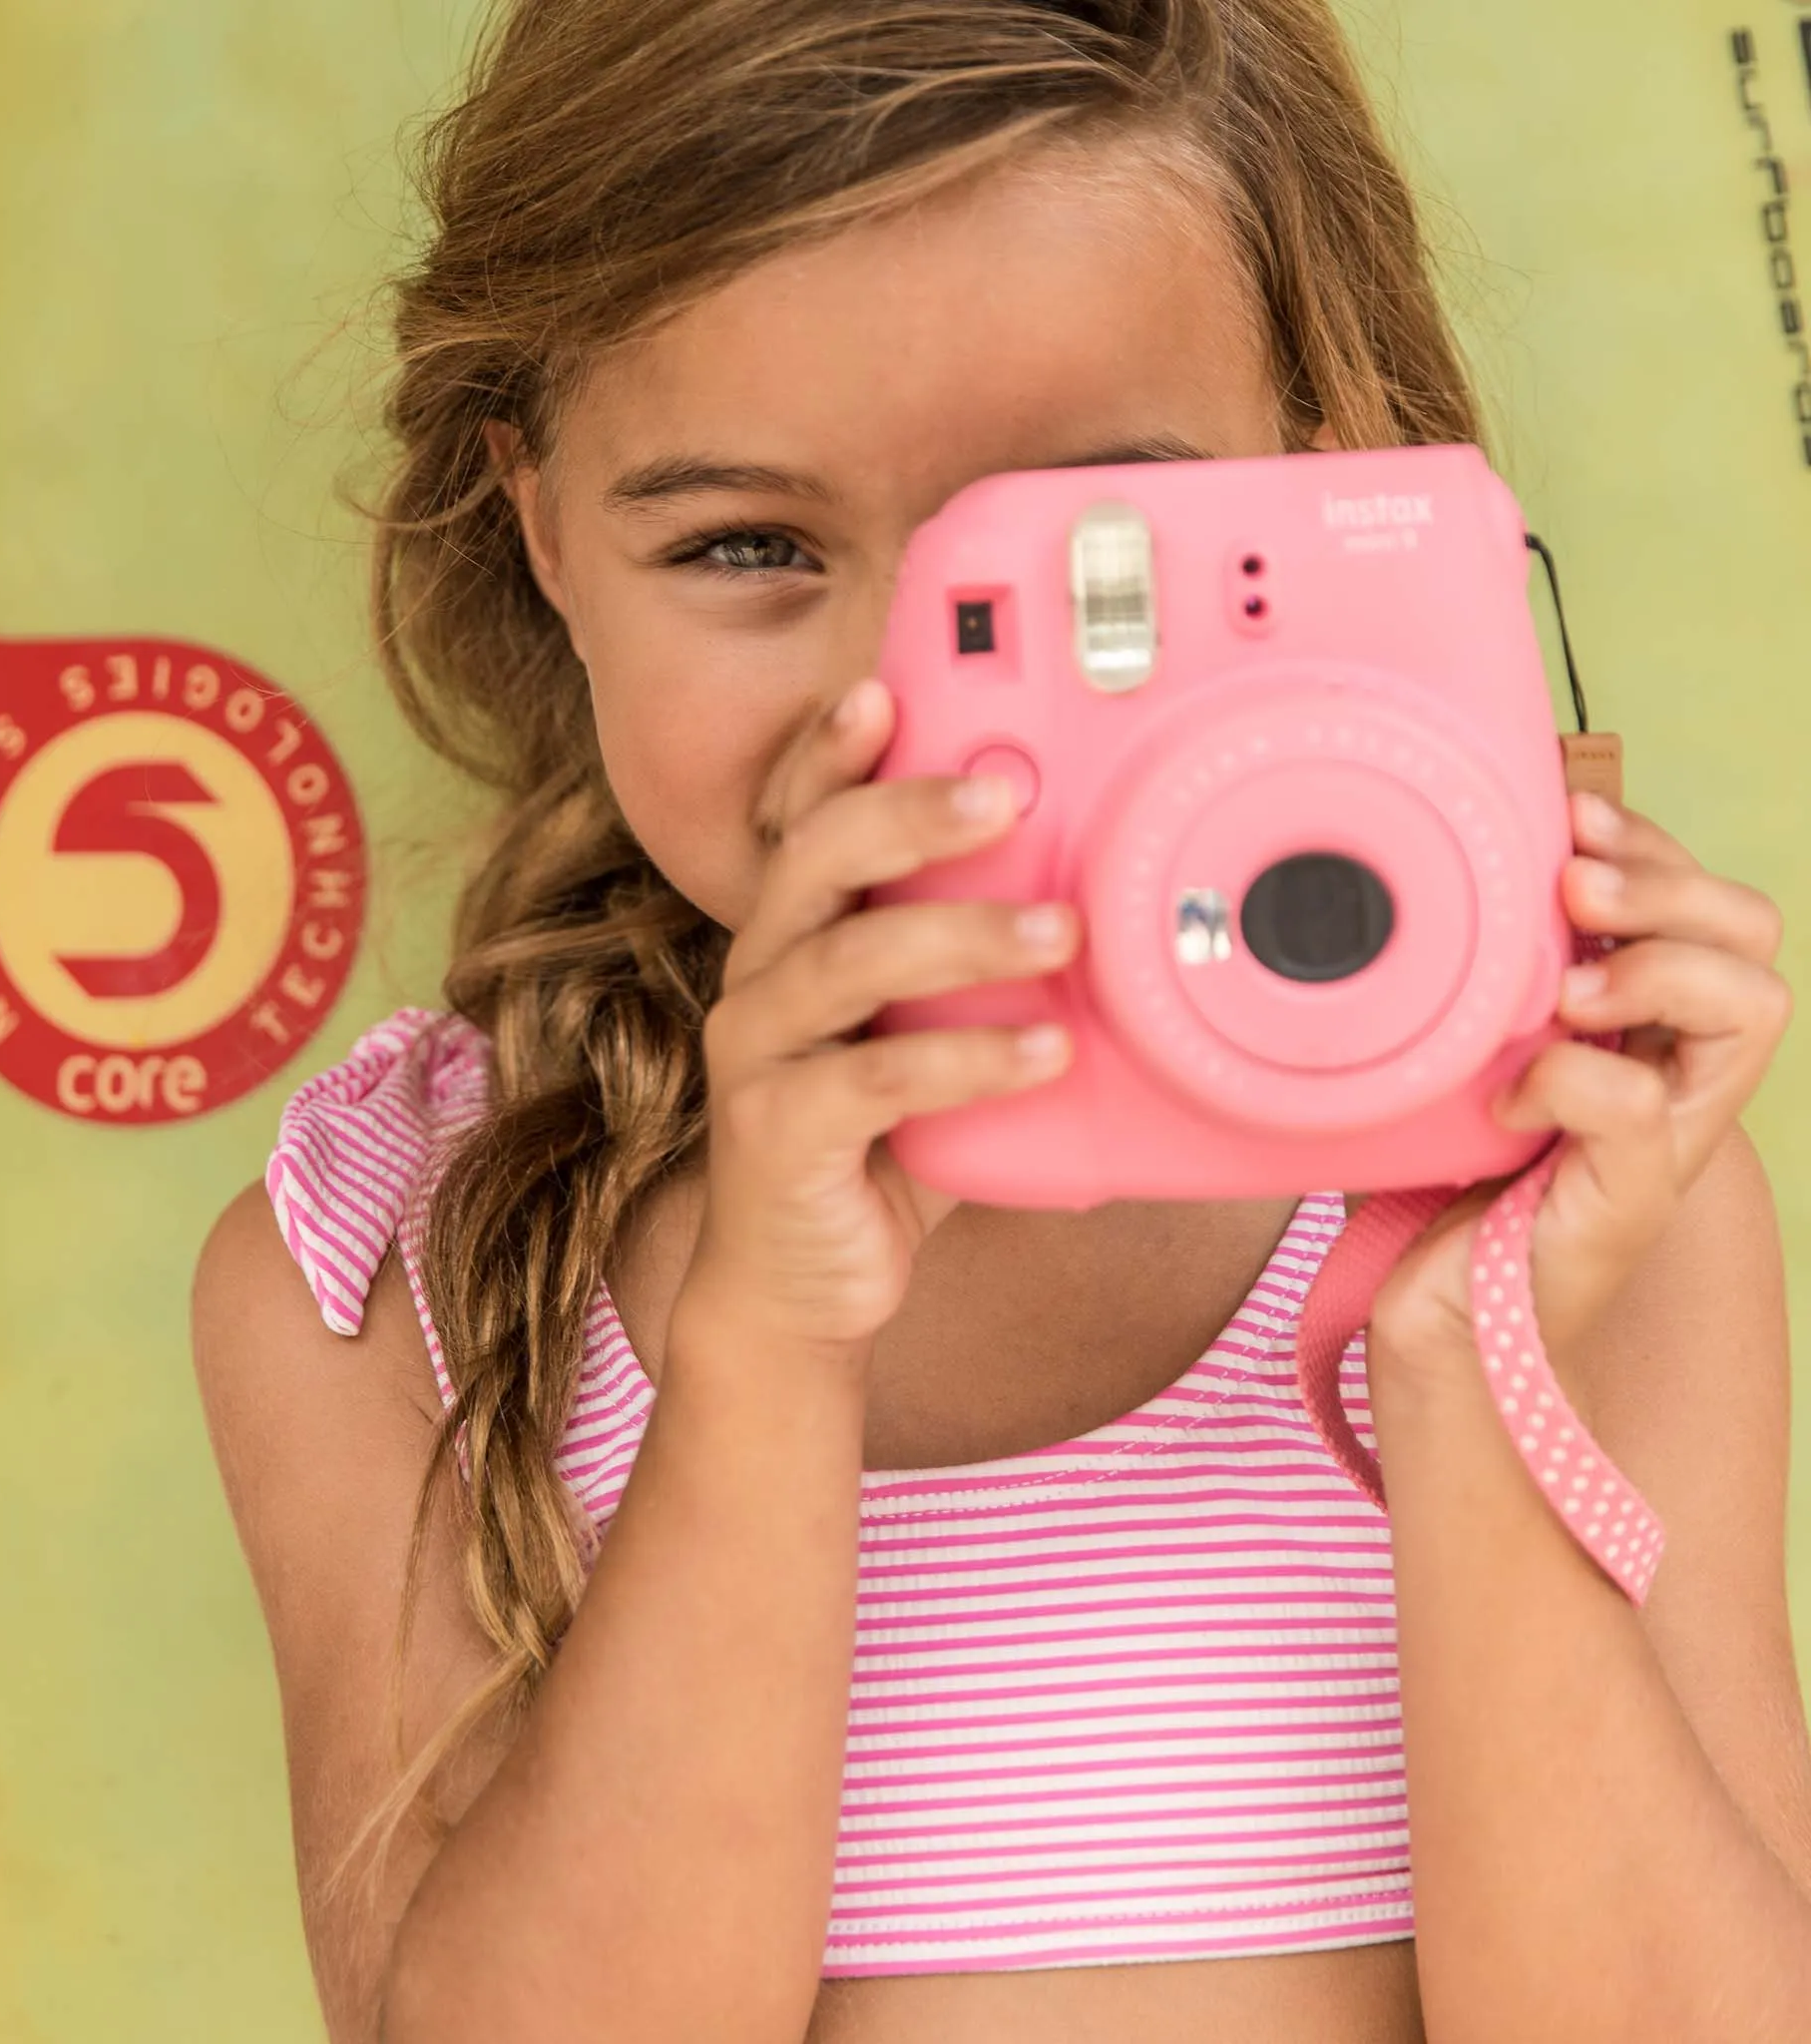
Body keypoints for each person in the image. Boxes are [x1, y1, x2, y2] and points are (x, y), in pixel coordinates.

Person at [190, 2, 1811, 2038]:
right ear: (538, 530)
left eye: (1076, 565)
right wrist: (768, 1352)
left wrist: (1463, 1363)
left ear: (1323, 486)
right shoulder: (389, 1260)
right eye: (748, 548)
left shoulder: (1590, 1201)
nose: (910, 710)